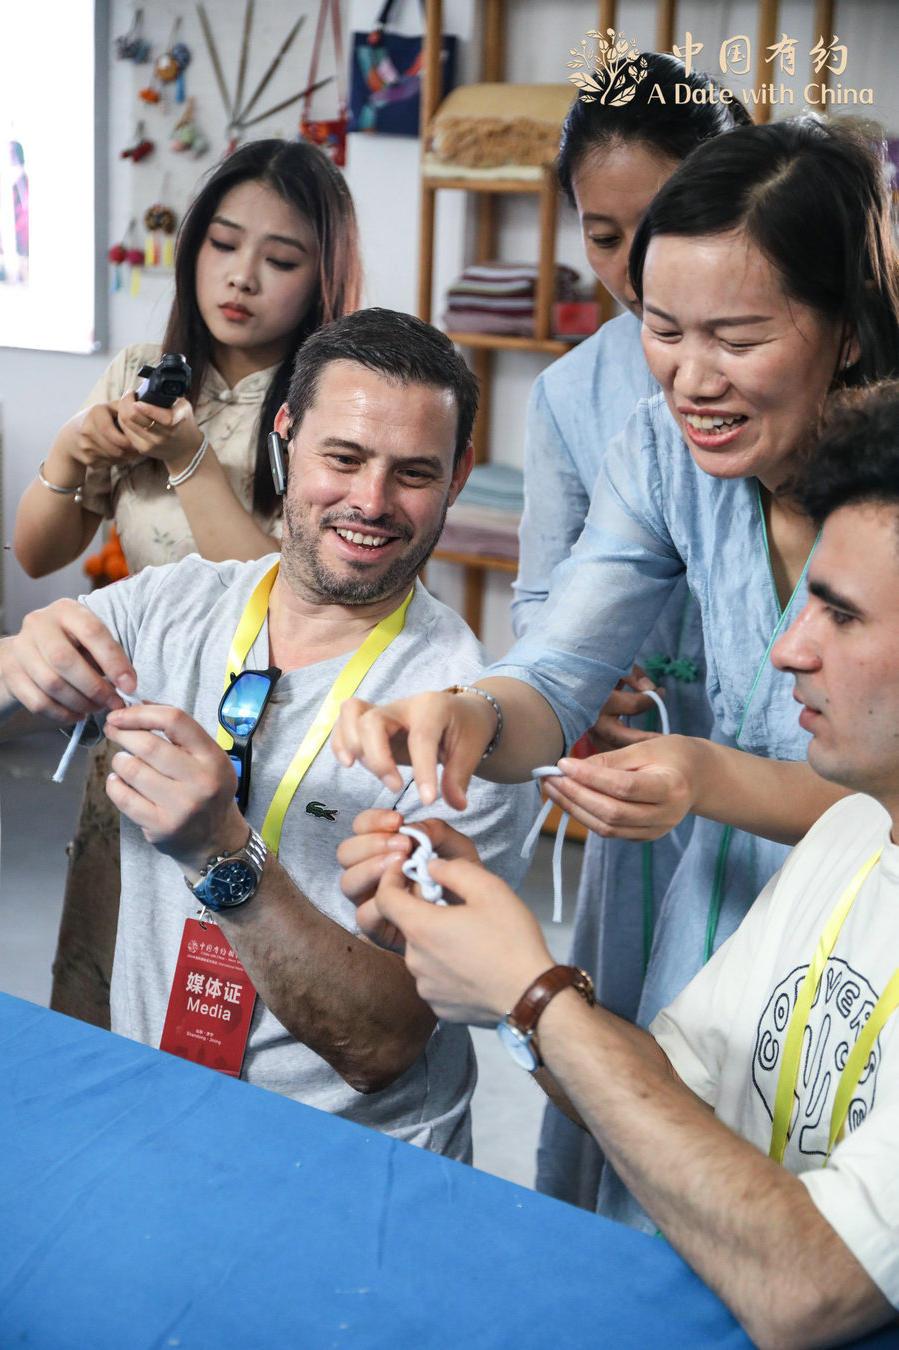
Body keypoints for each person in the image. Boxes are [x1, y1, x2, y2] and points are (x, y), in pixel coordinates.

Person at [333, 116, 899, 1220]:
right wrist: (467, 714)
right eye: (662, 328)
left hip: (867, 937)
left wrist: (707, 774)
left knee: (821, 1234)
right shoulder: (660, 450)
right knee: (675, 1177)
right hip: (717, 917)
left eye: (738, 337)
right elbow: (557, 672)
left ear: (844, 329)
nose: (691, 379)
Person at [350, 379, 899, 1349]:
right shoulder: (855, 832)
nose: (786, 650)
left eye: (841, 616)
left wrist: (530, 996)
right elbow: (667, 1088)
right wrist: (504, 964)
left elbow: (811, 1287)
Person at [0, 309, 537, 1160]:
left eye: (413, 473)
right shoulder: (178, 605)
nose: (371, 502)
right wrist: (15, 660)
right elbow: (21, 676)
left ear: (459, 474)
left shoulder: (466, 721)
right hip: (158, 1115)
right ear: (285, 435)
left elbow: (384, 1046)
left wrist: (223, 853)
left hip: (345, 1161)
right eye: (343, 458)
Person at [13, 138, 363, 1027]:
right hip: (139, 730)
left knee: (238, 995)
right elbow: (36, 555)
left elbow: (278, 593)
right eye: (223, 244)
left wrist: (189, 458)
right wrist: (71, 452)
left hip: (268, 747)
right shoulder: (146, 372)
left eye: (281, 259)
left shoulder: (329, 405)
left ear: (323, 278)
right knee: (105, 973)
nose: (241, 277)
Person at [513, 54, 749, 1209]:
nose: (630, 267)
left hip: (787, 777)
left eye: (655, 225)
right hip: (644, 774)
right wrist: (557, 694)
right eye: (602, 237)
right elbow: (548, 613)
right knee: (634, 1053)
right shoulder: (582, 395)